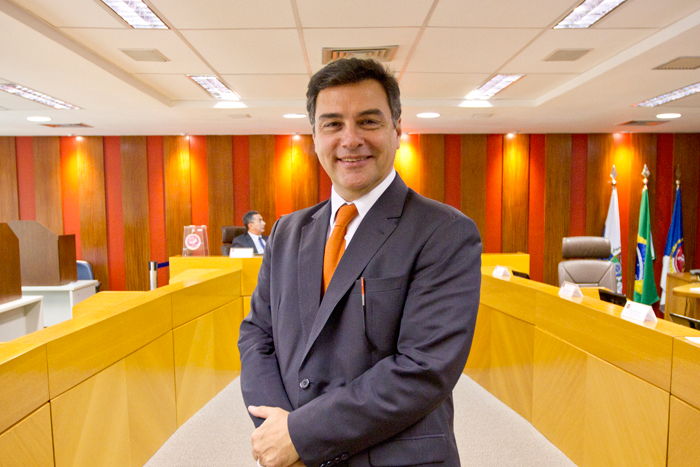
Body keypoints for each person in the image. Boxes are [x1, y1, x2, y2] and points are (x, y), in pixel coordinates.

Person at [238, 58, 482, 467]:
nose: (350, 140)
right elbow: (256, 335)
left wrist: (301, 434)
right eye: (332, 124)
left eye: (368, 121)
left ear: (396, 130)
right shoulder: (286, 231)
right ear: (315, 136)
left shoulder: (445, 232)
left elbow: (424, 369)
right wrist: (276, 430)